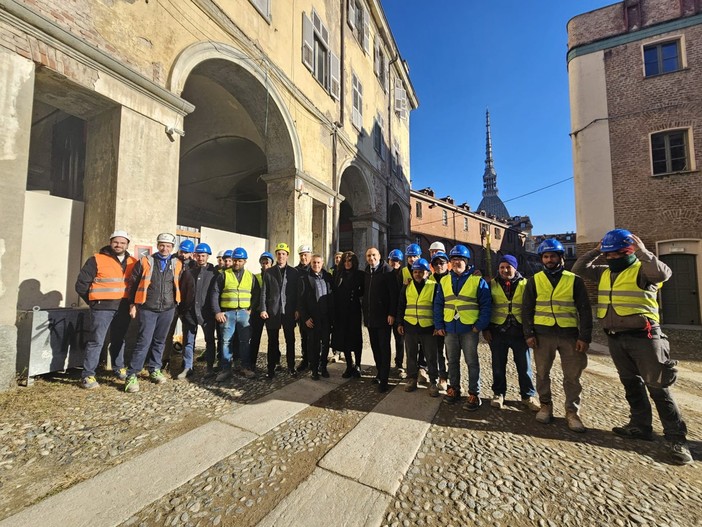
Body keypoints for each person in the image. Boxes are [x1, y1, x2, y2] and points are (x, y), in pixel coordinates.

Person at [573, 229, 692, 464]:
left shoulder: (642, 270)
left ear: (629, 251)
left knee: (658, 388)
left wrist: (643, 251)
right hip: (616, 338)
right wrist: (597, 251)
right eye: (609, 254)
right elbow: (578, 270)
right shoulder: (605, 272)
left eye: (617, 254)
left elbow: (662, 273)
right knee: (632, 385)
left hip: (645, 338)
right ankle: (640, 426)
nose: (612, 258)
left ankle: (676, 439)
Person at [522, 238, 592, 432]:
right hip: (542, 335)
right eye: (546, 256)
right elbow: (526, 309)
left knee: (572, 376)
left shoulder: (574, 280)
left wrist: (584, 337)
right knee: (542, 373)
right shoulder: (535, 280)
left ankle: (572, 412)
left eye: (553, 255)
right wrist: (528, 334)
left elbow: (585, 310)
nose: (549, 259)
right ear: (541, 259)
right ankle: (546, 405)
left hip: (569, 335)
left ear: (561, 257)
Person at [124, 233, 194, 393]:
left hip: (168, 309)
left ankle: (154, 369)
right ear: (157, 245)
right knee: (143, 341)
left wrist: (178, 305)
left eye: (168, 246)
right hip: (148, 308)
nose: (165, 248)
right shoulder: (145, 261)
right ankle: (132, 374)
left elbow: (179, 284)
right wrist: (132, 304)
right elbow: (133, 283)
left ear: (172, 248)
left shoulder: (177, 263)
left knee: (160, 341)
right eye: (162, 245)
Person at [75, 230, 136, 388]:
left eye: (123, 243)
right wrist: (94, 302)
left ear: (127, 244)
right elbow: (81, 284)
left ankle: (118, 367)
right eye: (116, 242)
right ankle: (88, 375)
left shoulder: (133, 261)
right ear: (110, 242)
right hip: (102, 307)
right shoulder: (97, 259)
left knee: (119, 340)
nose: (119, 245)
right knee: (96, 340)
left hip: (123, 307)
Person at [433, 245, 491, 410]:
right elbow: (438, 305)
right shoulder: (444, 280)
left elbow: (486, 305)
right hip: (450, 328)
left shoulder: (476, 280)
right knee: (452, 361)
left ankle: (474, 393)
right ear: (450, 262)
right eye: (454, 259)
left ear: (466, 262)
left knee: (472, 362)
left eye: (460, 259)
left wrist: (479, 326)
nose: (456, 262)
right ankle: (454, 389)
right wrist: (439, 325)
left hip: (469, 329)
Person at [483, 255, 539, 411]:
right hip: (497, 331)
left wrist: (531, 332)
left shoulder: (526, 284)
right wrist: (486, 329)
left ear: (515, 268)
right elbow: (486, 307)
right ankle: (498, 393)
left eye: (508, 267)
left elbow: (531, 308)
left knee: (524, 366)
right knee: (498, 366)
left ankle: (527, 396)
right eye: (502, 267)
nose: (504, 270)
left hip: (520, 332)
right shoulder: (491, 284)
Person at [210, 247, 259, 381]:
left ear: (245, 261)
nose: (237, 263)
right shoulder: (224, 275)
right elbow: (215, 293)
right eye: (235, 260)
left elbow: (256, 294)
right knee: (226, 342)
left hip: (244, 314)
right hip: (227, 314)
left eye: (240, 261)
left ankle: (245, 367)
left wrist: (251, 310)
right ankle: (226, 369)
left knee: (245, 342)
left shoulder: (251, 276)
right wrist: (217, 312)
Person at [397, 258, 440, 396]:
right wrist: (399, 323)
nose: (417, 274)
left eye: (421, 272)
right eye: (415, 272)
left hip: (428, 327)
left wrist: (437, 325)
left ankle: (433, 381)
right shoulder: (407, 286)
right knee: (411, 355)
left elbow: (437, 308)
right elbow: (401, 305)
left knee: (431, 356)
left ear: (427, 273)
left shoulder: (434, 286)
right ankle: (411, 379)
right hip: (410, 326)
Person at [260, 242, 299, 379]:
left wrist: (297, 309)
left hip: (288, 311)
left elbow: (297, 293)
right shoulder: (269, 272)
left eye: (283, 254)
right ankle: (271, 369)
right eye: (279, 254)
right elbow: (264, 292)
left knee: (290, 340)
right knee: (272, 341)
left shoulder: (294, 272)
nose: (281, 256)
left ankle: (291, 366)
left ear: (287, 256)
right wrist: (263, 309)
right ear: (276, 255)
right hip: (273, 311)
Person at [363, 247, 399, 392]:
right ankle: (379, 372)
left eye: (373, 255)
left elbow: (394, 294)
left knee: (384, 348)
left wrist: (391, 313)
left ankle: (384, 379)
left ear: (379, 256)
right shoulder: (366, 271)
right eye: (368, 256)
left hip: (384, 317)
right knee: (375, 347)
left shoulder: (388, 271)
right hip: (371, 317)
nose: (371, 258)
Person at [180, 242, 217, 380]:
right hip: (190, 313)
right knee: (188, 341)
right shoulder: (188, 273)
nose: (201, 258)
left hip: (207, 313)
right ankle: (187, 367)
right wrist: (182, 311)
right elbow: (183, 292)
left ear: (207, 256)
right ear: (194, 256)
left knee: (209, 341)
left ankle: (209, 368)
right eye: (198, 255)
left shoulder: (214, 273)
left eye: (203, 255)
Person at [298, 254, 335, 380]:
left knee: (325, 343)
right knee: (313, 345)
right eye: (314, 262)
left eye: (318, 262)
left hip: (326, 317)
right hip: (312, 319)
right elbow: (301, 301)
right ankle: (314, 369)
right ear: (311, 263)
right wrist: (305, 318)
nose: (316, 265)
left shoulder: (328, 277)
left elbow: (332, 297)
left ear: (322, 263)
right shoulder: (305, 278)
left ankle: (323, 367)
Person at [332, 251, 365, 378]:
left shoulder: (360, 274)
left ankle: (358, 364)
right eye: (345, 261)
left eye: (349, 261)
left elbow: (363, 291)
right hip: (341, 311)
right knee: (344, 338)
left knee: (356, 338)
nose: (347, 263)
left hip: (354, 311)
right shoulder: (338, 274)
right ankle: (349, 365)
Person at [250, 252, 274, 372]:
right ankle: (251, 363)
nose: (265, 265)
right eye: (263, 263)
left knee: (272, 338)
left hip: (270, 313)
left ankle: (275, 362)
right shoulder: (256, 277)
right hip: (257, 312)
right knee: (255, 338)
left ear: (271, 264)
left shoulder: (275, 276)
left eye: (267, 263)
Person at [430, 251, 450, 388]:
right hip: (435, 322)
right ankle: (442, 376)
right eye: (435, 263)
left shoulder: (453, 278)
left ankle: (453, 377)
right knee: (438, 351)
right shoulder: (429, 280)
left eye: (441, 263)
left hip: (450, 322)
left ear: (447, 264)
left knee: (451, 353)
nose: (439, 266)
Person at [388, 249, 406, 375]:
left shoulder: (403, 274)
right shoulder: (384, 273)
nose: (395, 263)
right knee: (385, 340)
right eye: (393, 260)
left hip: (399, 312)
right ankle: (385, 362)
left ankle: (399, 363)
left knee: (399, 340)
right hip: (386, 312)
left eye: (397, 261)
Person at [295, 244, 313, 372]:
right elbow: (293, 292)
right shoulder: (296, 271)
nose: (303, 257)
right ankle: (305, 359)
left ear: (310, 255)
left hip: (314, 308)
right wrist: (297, 309)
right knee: (303, 336)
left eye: (305, 255)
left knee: (315, 337)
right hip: (302, 309)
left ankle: (314, 360)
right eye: (301, 255)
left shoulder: (316, 268)